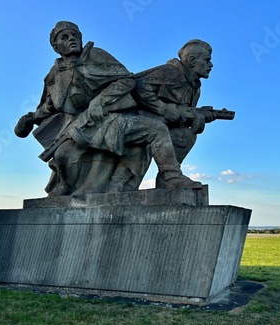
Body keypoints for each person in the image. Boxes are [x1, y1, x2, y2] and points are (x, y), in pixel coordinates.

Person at [14, 21, 201, 196]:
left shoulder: (96, 55)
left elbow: (127, 80)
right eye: (64, 37)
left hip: (110, 119)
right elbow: (48, 107)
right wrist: (28, 121)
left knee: (156, 129)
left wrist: (100, 101)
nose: (71, 39)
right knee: (63, 155)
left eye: (75, 35)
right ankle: (66, 184)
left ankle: (171, 177)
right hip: (78, 127)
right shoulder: (53, 76)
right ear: (56, 47)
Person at [133, 39, 216, 188]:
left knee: (186, 134)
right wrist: (162, 108)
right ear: (191, 60)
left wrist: (200, 114)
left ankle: (166, 181)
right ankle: (170, 177)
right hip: (136, 120)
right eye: (207, 60)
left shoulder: (194, 86)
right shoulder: (171, 72)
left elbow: (182, 113)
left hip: (164, 124)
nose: (211, 65)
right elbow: (138, 86)